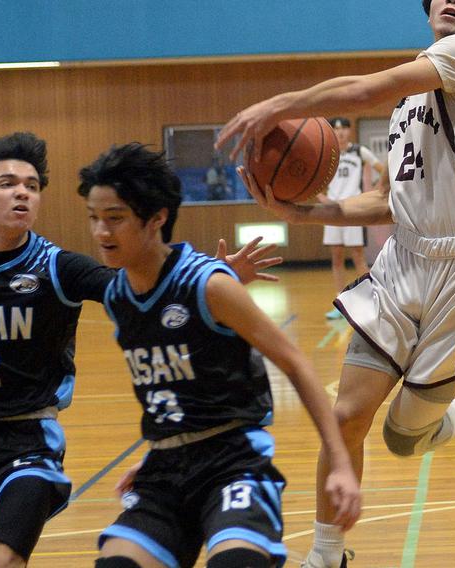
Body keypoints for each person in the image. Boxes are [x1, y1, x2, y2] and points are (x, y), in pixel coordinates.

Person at [0, 132, 281, 568]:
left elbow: (145, 288)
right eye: (7, 184)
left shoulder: (57, 267)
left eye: (32, 185)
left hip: (27, 443)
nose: (23, 193)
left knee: (2, 559)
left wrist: (204, 280)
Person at [216, 0, 455, 565]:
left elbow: (360, 91)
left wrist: (282, 104)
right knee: (345, 419)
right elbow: (389, 202)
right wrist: (303, 214)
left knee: (402, 441)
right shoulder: (410, 107)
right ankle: (326, 555)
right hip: (400, 267)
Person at [79, 143, 361, 568]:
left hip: (232, 464)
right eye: (94, 218)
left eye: (115, 218)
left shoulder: (209, 285)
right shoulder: (118, 296)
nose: (102, 232)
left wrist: (339, 462)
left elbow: (295, 362)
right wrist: (163, 444)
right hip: (165, 470)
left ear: (156, 218)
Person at [319, 118, 385, 320]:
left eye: (343, 128)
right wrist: (320, 197)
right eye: (336, 129)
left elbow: (382, 169)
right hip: (331, 210)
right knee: (337, 258)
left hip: (352, 210)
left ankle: (370, 301)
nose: (340, 132)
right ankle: (340, 302)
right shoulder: (327, 153)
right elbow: (314, 180)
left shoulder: (359, 151)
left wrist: (373, 191)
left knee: (358, 256)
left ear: (349, 131)